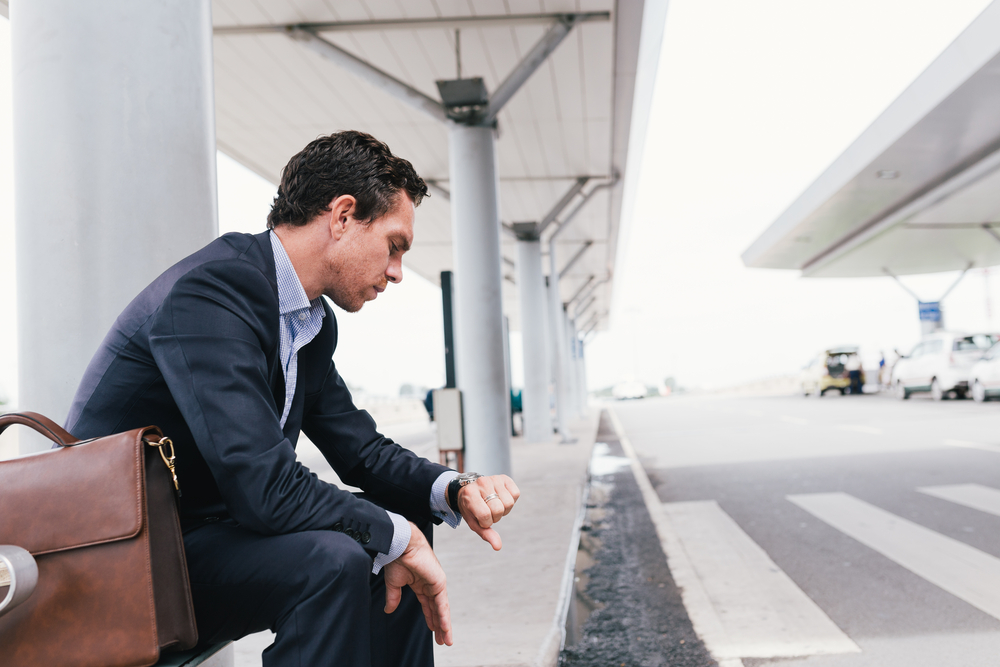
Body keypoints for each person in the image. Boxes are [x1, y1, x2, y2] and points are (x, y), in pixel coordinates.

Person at [64, 131, 520, 667]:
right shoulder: (212, 293)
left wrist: (454, 488)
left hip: (202, 541)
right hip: (123, 560)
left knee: (387, 542)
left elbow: (361, 450)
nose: (397, 272)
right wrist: (399, 535)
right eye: (395, 246)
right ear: (344, 216)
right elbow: (266, 488)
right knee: (334, 559)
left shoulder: (309, 322)